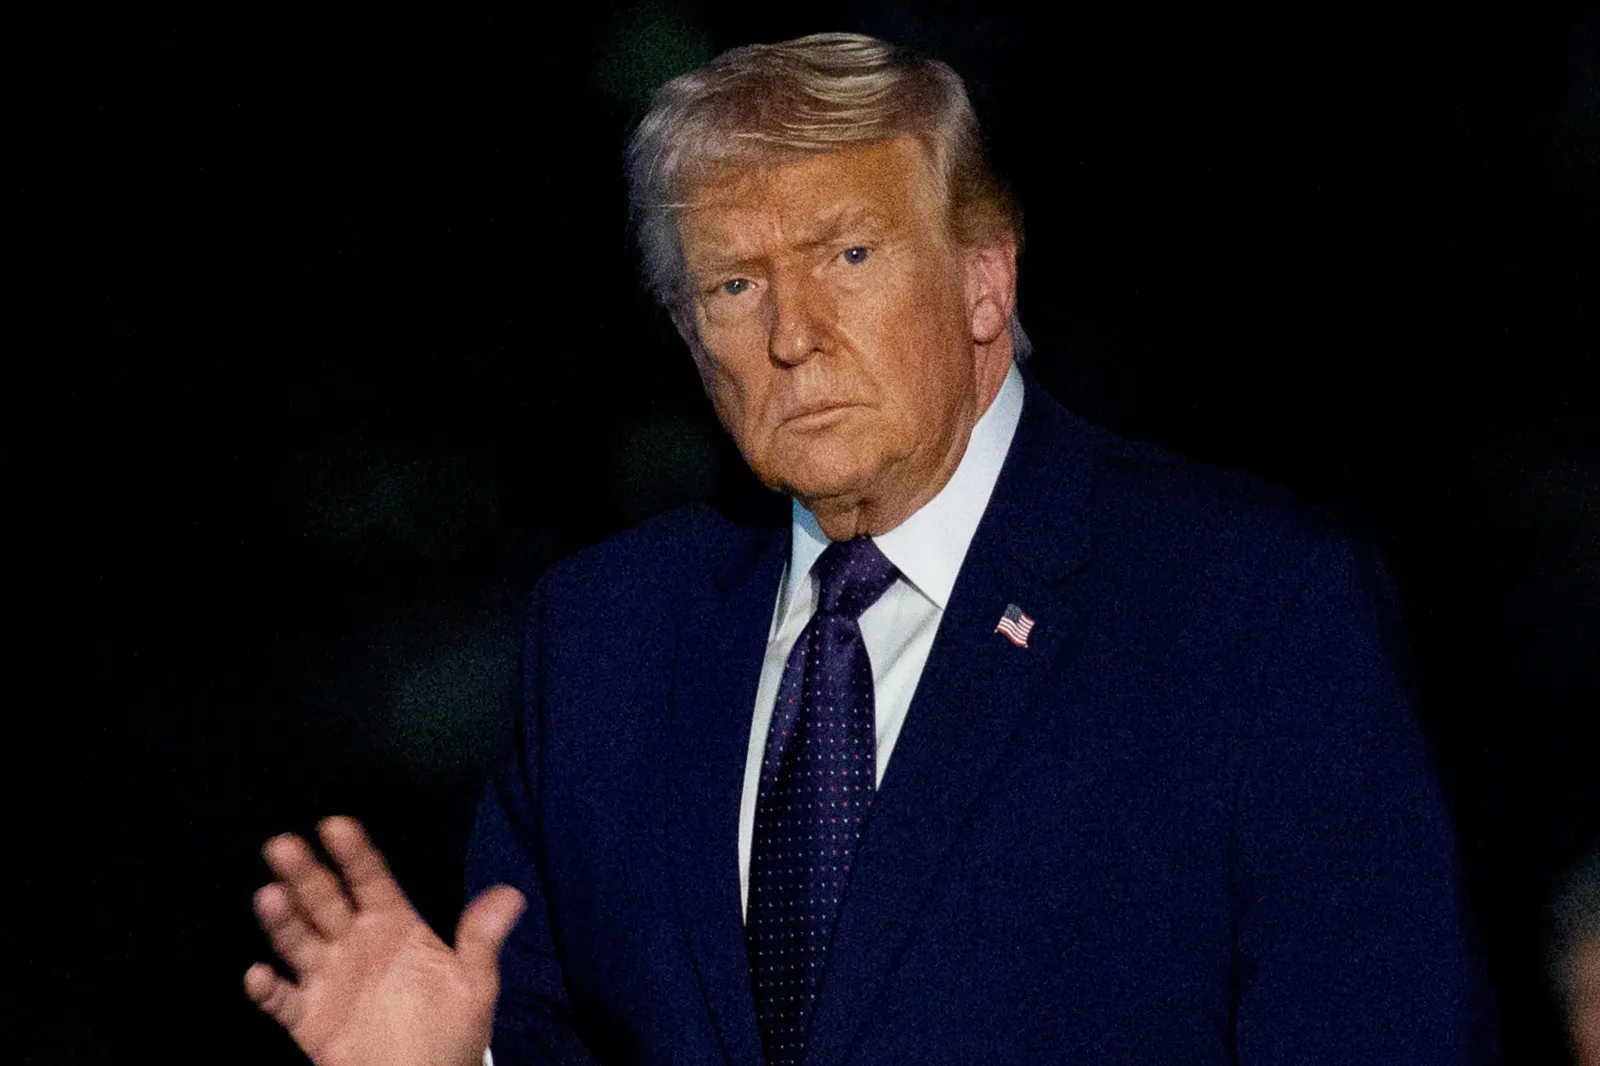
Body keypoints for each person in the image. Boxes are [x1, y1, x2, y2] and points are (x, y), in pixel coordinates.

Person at [246, 32, 1489, 1065]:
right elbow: (550, 1028)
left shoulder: (1248, 602)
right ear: (688, 336)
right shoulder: (605, 636)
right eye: (735, 285)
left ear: (984, 281)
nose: (793, 334)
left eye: (847, 254)